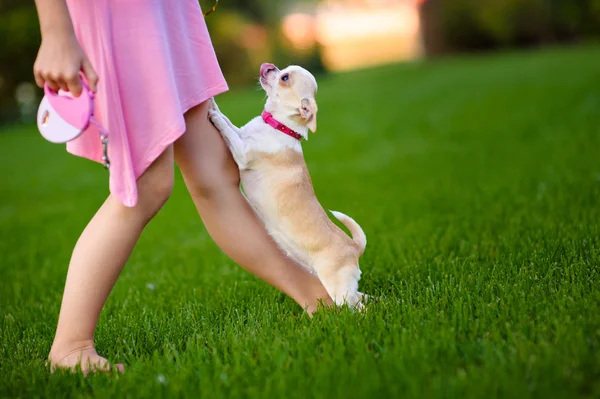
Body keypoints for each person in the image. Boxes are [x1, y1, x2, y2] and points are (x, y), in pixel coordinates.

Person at [33, 0, 332, 373]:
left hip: (162, 10)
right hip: (119, 14)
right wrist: (55, 30)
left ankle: (315, 296)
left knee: (215, 174)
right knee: (145, 186)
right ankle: (70, 346)